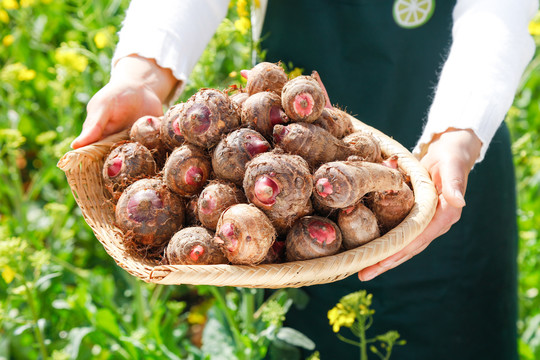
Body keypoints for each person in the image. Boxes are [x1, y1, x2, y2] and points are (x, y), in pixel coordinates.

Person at [71, 0, 538, 358]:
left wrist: (459, 130)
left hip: (445, 157)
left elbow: (499, 11)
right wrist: (145, 73)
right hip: (274, 152)